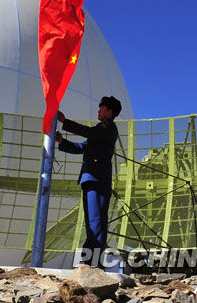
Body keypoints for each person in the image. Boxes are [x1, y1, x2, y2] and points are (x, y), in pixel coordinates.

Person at [55, 96, 122, 268]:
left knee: (96, 222)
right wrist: (62, 142)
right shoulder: (100, 131)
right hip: (90, 180)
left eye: (102, 108)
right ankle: (90, 261)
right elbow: (82, 147)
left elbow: (88, 133)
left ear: (110, 112)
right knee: (92, 222)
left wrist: (65, 121)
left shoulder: (108, 129)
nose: (99, 110)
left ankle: (94, 263)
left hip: (98, 180)